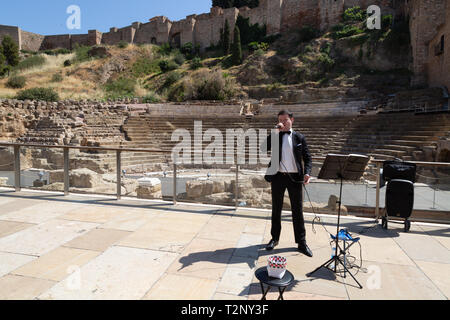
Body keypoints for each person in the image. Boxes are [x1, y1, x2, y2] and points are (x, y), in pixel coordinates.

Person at [261, 110, 313, 257]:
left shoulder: (299, 137)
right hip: (278, 177)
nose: (282, 123)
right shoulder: (276, 136)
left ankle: (301, 242)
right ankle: (274, 238)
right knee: (276, 209)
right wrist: (275, 132)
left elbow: (308, 158)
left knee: (297, 211)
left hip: (295, 178)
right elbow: (263, 148)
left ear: (292, 120)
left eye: (285, 120)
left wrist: (307, 172)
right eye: (280, 120)